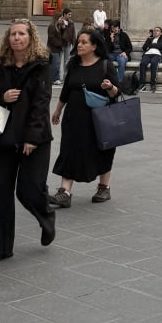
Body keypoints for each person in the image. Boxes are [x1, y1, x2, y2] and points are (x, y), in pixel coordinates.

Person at [0, 19, 55, 262]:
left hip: (34, 139)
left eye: (21, 34)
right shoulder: (4, 66)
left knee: (30, 190)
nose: (16, 38)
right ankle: (1, 246)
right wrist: (2, 97)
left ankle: (46, 216)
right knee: (0, 193)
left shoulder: (41, 66)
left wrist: (32, 138)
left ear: (30, 37)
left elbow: (41, 103)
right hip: (4, 138)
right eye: (13, 34)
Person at [50, 29, 120, 206]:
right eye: (79, 42)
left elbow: (116, 94)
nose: (79, 45)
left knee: (102, 150)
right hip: (73, 117)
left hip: (98, 119)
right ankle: (64, 192)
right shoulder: (73, 64)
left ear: (94, 46)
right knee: (68, 150)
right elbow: (66, 90)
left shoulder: (105, 65)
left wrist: (109, 86)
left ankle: (104, 187)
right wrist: (58, 110)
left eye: (84, 42)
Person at [138, 27, 162, 92]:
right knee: (143, 63)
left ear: (161, 33)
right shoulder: (150, 39)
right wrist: (151, 43)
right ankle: (142, 84)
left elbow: (161, 46)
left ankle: (153, 84)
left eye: (157, 31)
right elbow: (144, 47)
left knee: (154, 63)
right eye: (154, 31)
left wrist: (150, 45)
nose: (155, 32)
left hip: (157, 54)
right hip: (148, 54)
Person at [47, 13, 66, 86]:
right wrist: (59, 44)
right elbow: (51, 38)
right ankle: (52, 79)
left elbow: (61, 36)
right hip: (53, 49)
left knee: (57, 64)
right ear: (56, 18)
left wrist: (63, 28)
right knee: (54, 64)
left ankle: (56, 78)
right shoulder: (52, 27)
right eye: (60, 18)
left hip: (57, 49)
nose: (61, 20)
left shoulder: (58, 26)